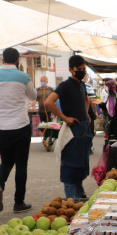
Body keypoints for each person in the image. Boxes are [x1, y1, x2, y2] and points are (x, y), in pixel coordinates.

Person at [0, 48, 36, 213]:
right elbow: (33, 96)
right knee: (21, 165)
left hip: (2, 128)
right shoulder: (23, 77)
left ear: (2, 60)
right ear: (18, 60)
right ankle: (18, 203)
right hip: (21, 126)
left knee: (6, 162)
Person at [44, 55, 93, 198]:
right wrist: (64, 118)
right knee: (71, 167)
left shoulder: (82, 85)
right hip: (72, 131)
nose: (82, 71)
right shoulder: (65, 85)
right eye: (79, 69)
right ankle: (71, 200)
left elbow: (86, 99)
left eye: (84, 69)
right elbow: (48, 102)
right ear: (71, 70)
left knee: (82, 166)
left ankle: (80, 195)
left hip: (84, 129)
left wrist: (87, 114)